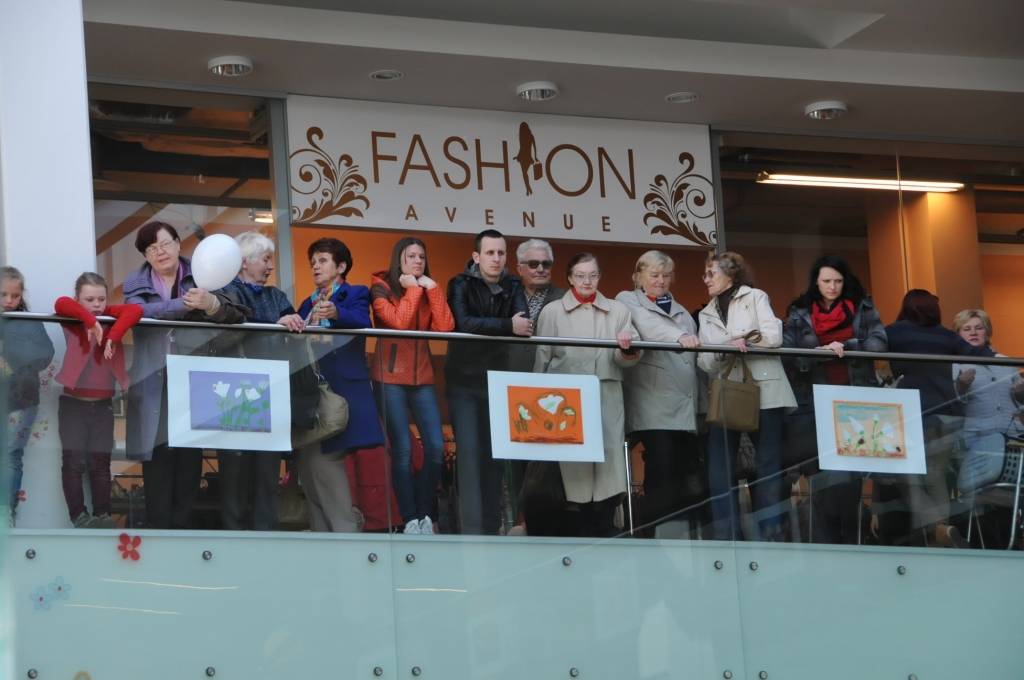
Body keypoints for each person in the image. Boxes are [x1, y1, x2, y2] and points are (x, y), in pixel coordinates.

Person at [123, 221, 247, 529]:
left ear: (179, 244)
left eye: (165, 243)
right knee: (158, 462)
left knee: (190, 463)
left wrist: (212, 304)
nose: (160, 251)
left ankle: (183, 533)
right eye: (151, 248)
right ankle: (159, 534)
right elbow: (138, 314)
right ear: (146, 256)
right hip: (154, 381)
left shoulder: (203, 271)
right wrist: (185, 305)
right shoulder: (135, 283)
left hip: (195, 381)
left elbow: (237, 313)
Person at [534, 252, 641, 537]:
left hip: (606, 391)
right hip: (564, 397)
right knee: (573, 462)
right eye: (580, 276)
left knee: (609, 458)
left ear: (599, 277)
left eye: (593, 275)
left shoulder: (618, 311)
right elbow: (542, 358)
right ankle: (580, 524)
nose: (587, 281)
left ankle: (604, 523)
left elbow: (627, 360)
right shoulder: (552, 312)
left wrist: (627, 349)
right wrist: (537, 400)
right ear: (570, 278)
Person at [783, 255, 887, 544]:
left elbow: (879, 342)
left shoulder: (862, 307)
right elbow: (787, 352)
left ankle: (851, 541)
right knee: (821, 476)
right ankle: (825, 543)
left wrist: (847, 346)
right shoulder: (800, 311)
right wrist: (819, 352)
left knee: (851, 476)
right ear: (816, 282)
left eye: (838, 281)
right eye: (827, 281)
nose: (832, 286)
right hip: (814, 402)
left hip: (855, 401)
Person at [698, 251, 796, 541]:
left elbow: (774, 336)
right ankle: (727, 536)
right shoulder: (706, 313)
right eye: (705, 274)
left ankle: (771, 533)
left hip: (766, 390)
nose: (706, 279)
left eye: (711, 273)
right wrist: (725, 347)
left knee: (768, 464)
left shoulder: (755, 296)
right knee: (720, 468)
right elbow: (704, 362)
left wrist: (745, 340)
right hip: (727, 390)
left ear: (731, 274)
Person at [881, 289, 987, 547]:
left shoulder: (895, 332)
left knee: (907, 478)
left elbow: (867, 346)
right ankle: (941, 535)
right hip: (949, 413)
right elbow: (978, 353)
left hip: (914, 413)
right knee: (936, 476)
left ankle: (938, 529)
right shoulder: (945, 335)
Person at [216, 232, 305, 531]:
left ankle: (266, 535)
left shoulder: (276, 295)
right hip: (234, 394)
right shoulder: (226, 291)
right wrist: (275, 324)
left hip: (271, 392)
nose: (270, 266)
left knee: (267, 471)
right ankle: (234, 535)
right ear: (244, 262)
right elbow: (230, 326)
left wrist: (296, 322)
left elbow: (294, 325)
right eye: (265, 259)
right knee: (234, 470)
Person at [445, 229, 531, 534]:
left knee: (495, 458)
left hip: (498, 382)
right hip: (463, 381)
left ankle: (492, 529)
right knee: (469, 457)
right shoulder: (460, 283)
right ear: (476, 256)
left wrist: (504, 326)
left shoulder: (513, 284)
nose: (496, 259)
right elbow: (463, 323)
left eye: (501, 253)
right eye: (490, 253)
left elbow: (525, 324)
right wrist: (507, 325)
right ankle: (472, 533)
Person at [296, 237, 384, 532]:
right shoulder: (307, 303)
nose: (315, 267)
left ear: (341, 266)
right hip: (313, 394)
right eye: (313, 262)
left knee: (324, 462)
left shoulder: (355, 293)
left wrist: (337, 314)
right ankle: (327, 537)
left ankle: (344, 535)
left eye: (322, 261)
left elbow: (363, 321)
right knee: (309, 469)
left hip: (343, 392)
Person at [370, 237, 455, 535]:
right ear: (399, 260)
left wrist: (433, 289)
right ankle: (408, 519)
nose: (418, 261)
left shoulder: (426, 287)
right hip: (389, 378)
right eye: (411, 256)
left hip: (423, 378)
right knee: (403, 451)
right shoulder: (380, 287)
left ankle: (425, 515)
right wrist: (414, 289)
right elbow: (400, 322)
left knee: (435, 447)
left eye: (422, 257)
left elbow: (445, 327)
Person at [615, 250, 703, 535]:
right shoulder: (627, 300)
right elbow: (647, 325)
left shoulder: (681, 310)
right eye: (654, 275)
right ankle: (653, 537)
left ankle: (681, 536)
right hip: (653, 402)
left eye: (666, 275)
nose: (660, 281)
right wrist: (679, 336)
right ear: (638, 276)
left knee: (685, 474)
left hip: (684, 405)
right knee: (660, 471)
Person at [54, 272, 143, 528]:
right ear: (79, 300)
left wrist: (112, 336)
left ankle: (103, 515)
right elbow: (60, 303)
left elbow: (135, 310)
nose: (96, 304)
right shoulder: (74, 320)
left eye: (101, 299)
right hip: (73, 404)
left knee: (100, 464)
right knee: (73, 463)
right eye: (89, 299)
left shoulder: (110, 317)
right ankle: (79, 516)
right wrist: (90, 320)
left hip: (103, 405)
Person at [951, 309, 1024, 544]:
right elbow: (954, 402)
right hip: (977, 438)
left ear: (987, 331)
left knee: (1011, 492)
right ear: (958, 334)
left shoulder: (1005, 361)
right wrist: (961, 386)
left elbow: (1020, 402)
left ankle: (1010, 540)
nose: (973, 332)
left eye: (978, 327)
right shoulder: (955, 362)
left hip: (1010, 436)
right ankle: (986, 543)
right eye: (966, 329)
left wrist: (1020, 393)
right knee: (984, 496)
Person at [1, 266, 55, 525]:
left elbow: (46, 353)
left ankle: (5, 512)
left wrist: (11, 357)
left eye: (15, 295)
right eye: (3, 295)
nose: (9, 301)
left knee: (11, 456)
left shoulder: (30, 321)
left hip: (21, 400)